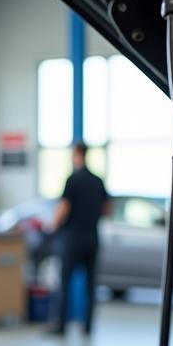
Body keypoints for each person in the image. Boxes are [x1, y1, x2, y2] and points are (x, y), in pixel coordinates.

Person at [48, 140, 110, 334]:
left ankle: (61, 325)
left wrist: (53, 226)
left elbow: (63, 208)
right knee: (90, 283)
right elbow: (107, 208)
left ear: (76, 154)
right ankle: (88, 326)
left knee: (64, 280)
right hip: (92, 237)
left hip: (73, 238)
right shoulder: (97, 180)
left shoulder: (73, 180)